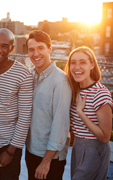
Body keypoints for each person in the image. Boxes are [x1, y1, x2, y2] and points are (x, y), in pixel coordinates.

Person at [0, 28, 33, 180]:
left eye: (4, 46)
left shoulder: (23, 75)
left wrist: (11, 151)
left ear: (12, 49)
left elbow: (25, 117)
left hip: (9, 144)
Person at [25, 30, 72, 180]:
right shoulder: (29, 76)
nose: (36, 53)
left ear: (50, 49)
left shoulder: (60, 81)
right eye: (31, 49)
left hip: (49, 158)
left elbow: (61, 126)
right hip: (31, 150)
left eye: (40, 48)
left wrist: (46, 162)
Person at [64, 46, 113, 180]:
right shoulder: (74, 89)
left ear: (92, 64)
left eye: (82, 62)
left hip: (95, 149)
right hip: (78, 147)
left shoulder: (100, 94)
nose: (76, 67)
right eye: (73, 62)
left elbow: (105, 137)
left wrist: (81, 112)